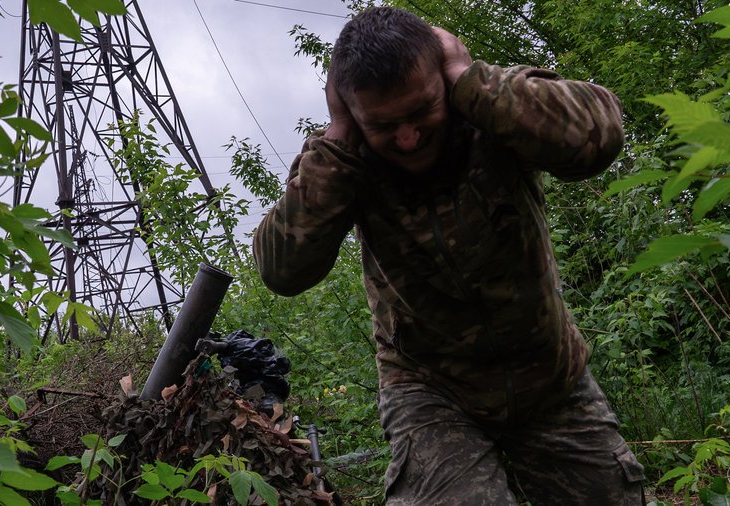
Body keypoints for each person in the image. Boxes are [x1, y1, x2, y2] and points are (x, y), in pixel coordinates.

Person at [253, 6, 645, 505]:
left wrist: (468, 79)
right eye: (383, 124)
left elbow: (599, 134)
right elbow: (281, 270)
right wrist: (339, 136)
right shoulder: (342, 163)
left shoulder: (492, 110)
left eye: (421, 111)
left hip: (548, 377)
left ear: (444, 79)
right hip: (432, 392)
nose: (408, 137)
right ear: (352, 114)